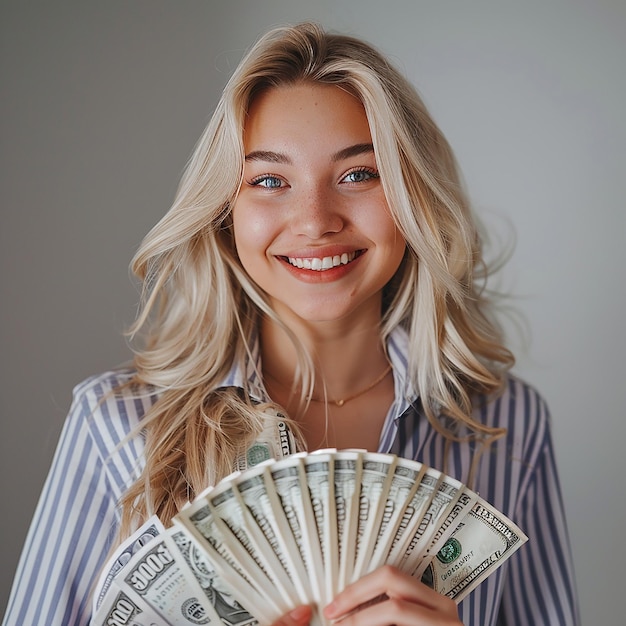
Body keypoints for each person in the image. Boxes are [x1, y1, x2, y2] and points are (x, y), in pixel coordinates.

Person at [2, 22, 580, 626]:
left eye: (358, 174)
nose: (314, 221)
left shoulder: (509, 425)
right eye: (270, 180)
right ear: (226, 211)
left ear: (414, 196)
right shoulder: (114, 425)